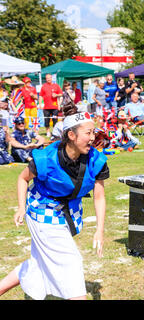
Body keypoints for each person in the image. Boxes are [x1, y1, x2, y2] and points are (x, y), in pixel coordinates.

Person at [0, 101, 109, 300]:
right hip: (42, 212)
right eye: (88, 133)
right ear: (71, 135)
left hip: (68, 215)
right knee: (71, 262)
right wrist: (20, 208)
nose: (93, 138)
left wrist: (100, 230)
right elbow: (22, 179)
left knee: (38, 264)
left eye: (94, 132)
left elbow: (99, 197)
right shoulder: (47, 159)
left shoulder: (96, 160)